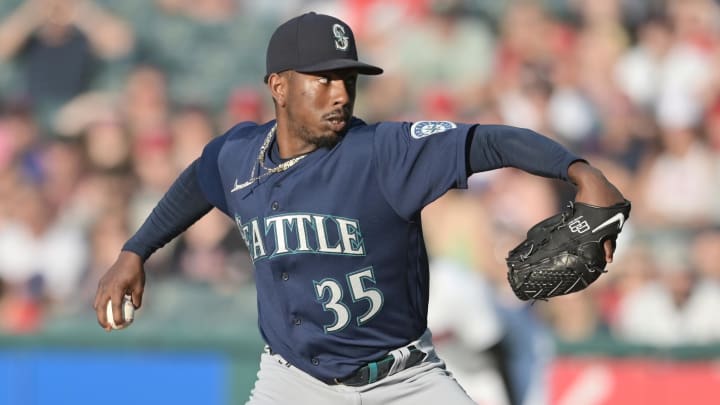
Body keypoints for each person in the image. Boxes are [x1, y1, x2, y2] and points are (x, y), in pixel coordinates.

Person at [94, 12, 626, 405]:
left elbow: (489, 141)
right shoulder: (237, 156)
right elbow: (198, 179)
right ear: (278, 86)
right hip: (294, 382)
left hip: (406, 381)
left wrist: (582, 172)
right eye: (321, 79)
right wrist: (136, 250)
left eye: (346, 79)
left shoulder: (383, 153)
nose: (340, 95)